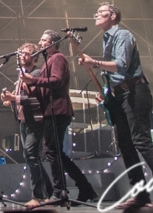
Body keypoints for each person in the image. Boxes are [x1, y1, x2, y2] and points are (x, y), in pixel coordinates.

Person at [77, 2, 153, 208]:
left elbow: (121, 66)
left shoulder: (122, 35)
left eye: (101, 13)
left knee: (142, 142)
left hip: (135, 91)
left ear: (113, 15)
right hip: (119, 94)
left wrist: (94, 63)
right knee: (125, 145)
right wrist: (106, 94)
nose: (96, 16)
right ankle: (140, 194)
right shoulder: (107, 38)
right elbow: (111, 74)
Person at [22, 30, 97, 203]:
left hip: (57, 111)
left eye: (44, 40)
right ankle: (84, 188)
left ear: (54, 43)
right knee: (56, 153)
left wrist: (33, 81)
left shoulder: (57, 58)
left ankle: (60, 192)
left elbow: (56, 81)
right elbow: (46, 87)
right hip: (52, 111)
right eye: (40, 40)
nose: (40, 43)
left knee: (52, 152)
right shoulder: (50, 60)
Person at [1, 43, 48, 208]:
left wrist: (15, 99)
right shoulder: (22, 75)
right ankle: (46, 193)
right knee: (31, 157)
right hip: (24, 121)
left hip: (35, 121)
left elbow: (36, 100)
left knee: (31, 155)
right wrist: (10, 100)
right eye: (21, 53)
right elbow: (21, 99)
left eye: (27, 54)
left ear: (35, 58)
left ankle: (38, 195)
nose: (22, 56)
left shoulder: (36, 73)